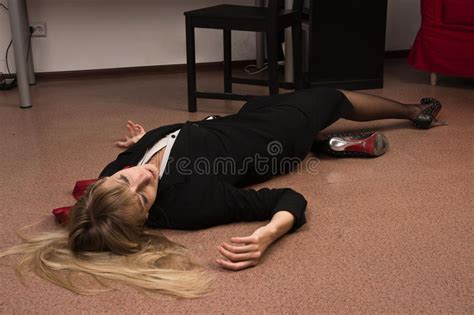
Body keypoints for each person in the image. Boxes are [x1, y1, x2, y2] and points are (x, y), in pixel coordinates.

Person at [0, 87, 445, 298]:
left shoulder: (113, 175)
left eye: (121, 181)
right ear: (149, 218)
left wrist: (139, 144)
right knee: (334, 98)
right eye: (142, 197)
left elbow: (117, 181)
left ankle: (330, 145)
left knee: (261, 104)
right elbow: (287, 198)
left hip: (237, 123)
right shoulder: (193, 203)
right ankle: (413, 112)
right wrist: (270, 234)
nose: (139, 177)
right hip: (277, 135)